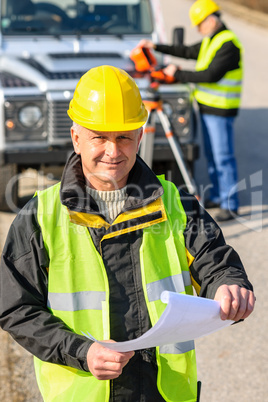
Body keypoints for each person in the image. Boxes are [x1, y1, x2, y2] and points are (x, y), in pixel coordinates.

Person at [0, 65, 255, 402]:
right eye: (99, 137)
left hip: (164, 393)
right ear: (76, 138)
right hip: (84, 393)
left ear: (140, 136)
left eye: (123, 137)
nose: (113, 151)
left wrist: (229, 285)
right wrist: (81, 351)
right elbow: (15, 308)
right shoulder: (40, 217)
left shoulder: (177, 204)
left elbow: (215, 261)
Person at [139, 0, 243, 222]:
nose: (198, 29)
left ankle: (230, 204)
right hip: (207, 109)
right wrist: (156, 47)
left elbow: (209, 75)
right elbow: (186, 51)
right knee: (212, 157)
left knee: (223, 158)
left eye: (200, 24)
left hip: (220, 111)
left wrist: (177, 74)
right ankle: (217, 195)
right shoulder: (211, 41)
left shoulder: (228, 45)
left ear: (211, 19)